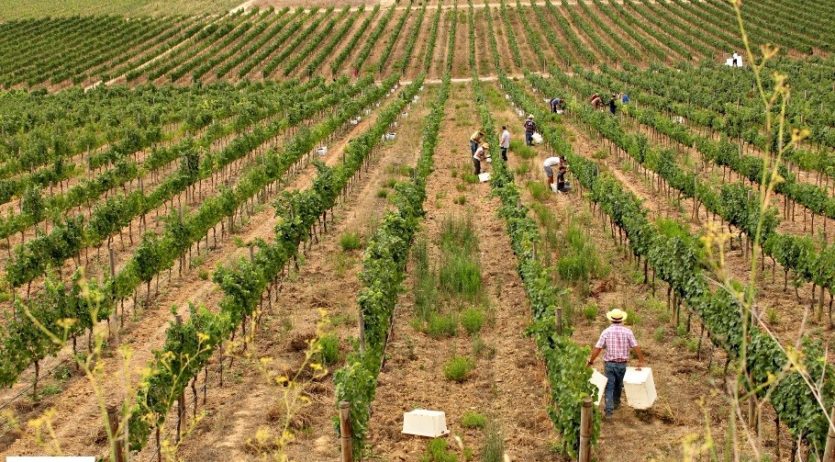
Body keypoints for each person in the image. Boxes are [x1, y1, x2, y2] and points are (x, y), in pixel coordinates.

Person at [587, 308, 645, 418]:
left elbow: (598, 348)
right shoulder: (628, 332)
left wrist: (591, 361)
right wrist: (641, 360)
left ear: (611, 320)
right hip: (622, 364)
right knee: (619, 385)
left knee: (610, 386)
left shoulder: (606, 332)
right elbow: (635, 346)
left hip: (609, 364)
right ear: (622, 320)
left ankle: (609, 411)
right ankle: (616, 404)